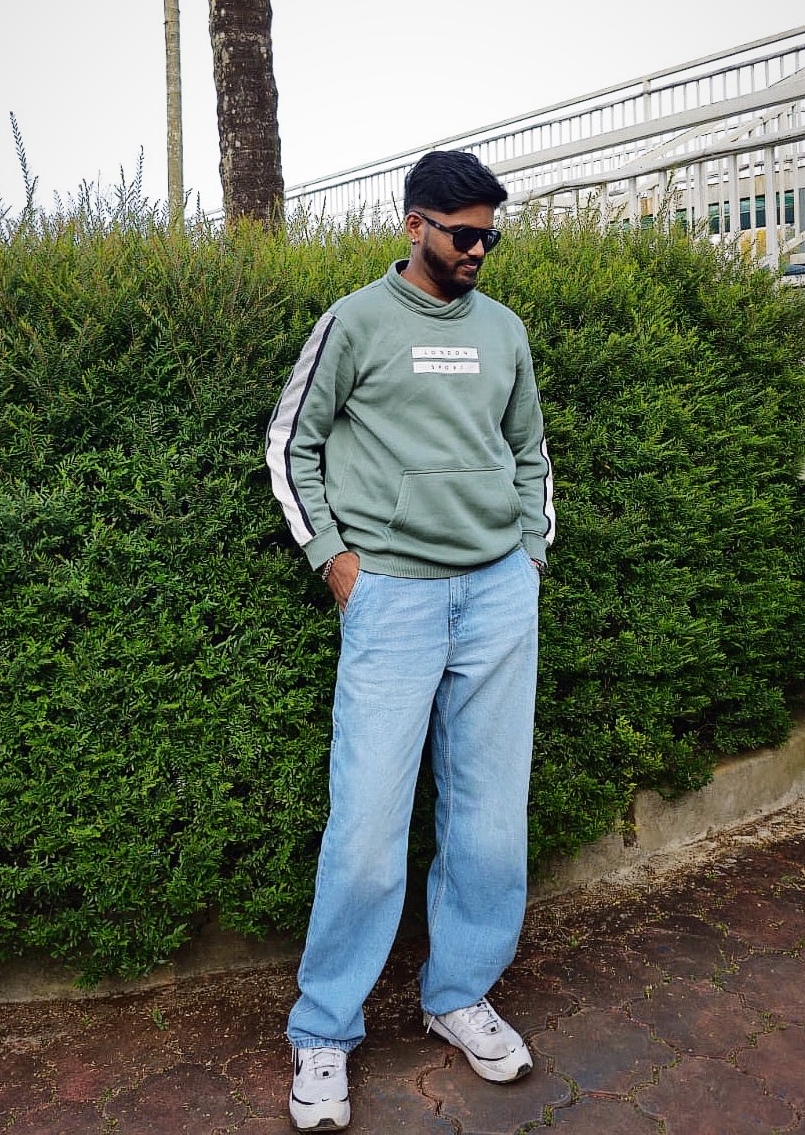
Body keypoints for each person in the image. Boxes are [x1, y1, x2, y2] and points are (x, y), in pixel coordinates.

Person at [266, 149, 555, 1132]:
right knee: (366, 827)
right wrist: (335, 560)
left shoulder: (503, 331)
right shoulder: (354, 322)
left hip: (496, 594)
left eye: (489, 236)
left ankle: (457, 995)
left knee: (489, 820)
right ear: (413, 224)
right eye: (461, 233)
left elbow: (529, 451)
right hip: (391, 597)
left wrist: (529, 557)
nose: (477, 250)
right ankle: (323, 1030)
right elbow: (289, 443)